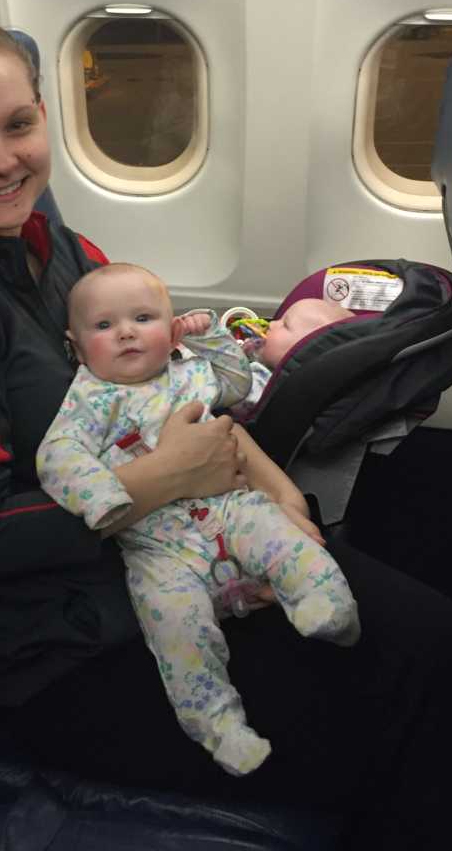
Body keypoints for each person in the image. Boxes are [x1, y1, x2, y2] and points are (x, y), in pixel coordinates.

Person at [0, 12, 452, 850]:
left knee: (438, 640)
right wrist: (165, 481)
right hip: (72, 657)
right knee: (422, 693)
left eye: (18, 125)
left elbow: (143, 399)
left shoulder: (58, 251)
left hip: (171, 552)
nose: (2, 160)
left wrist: (268, 499)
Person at [37, 263, 360, 775]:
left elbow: (235, 385)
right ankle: (218, 726)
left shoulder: (186, 369)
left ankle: (325, 605)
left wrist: (207, 336)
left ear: (168, 331)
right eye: (103, 327)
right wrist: (104, 495)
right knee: (176, 633)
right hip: (156, 545)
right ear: (76, 347)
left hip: (230, 509)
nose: (124, 332)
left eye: (142, 318)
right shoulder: (87, 401)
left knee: (286, 540)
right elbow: (58, 457)